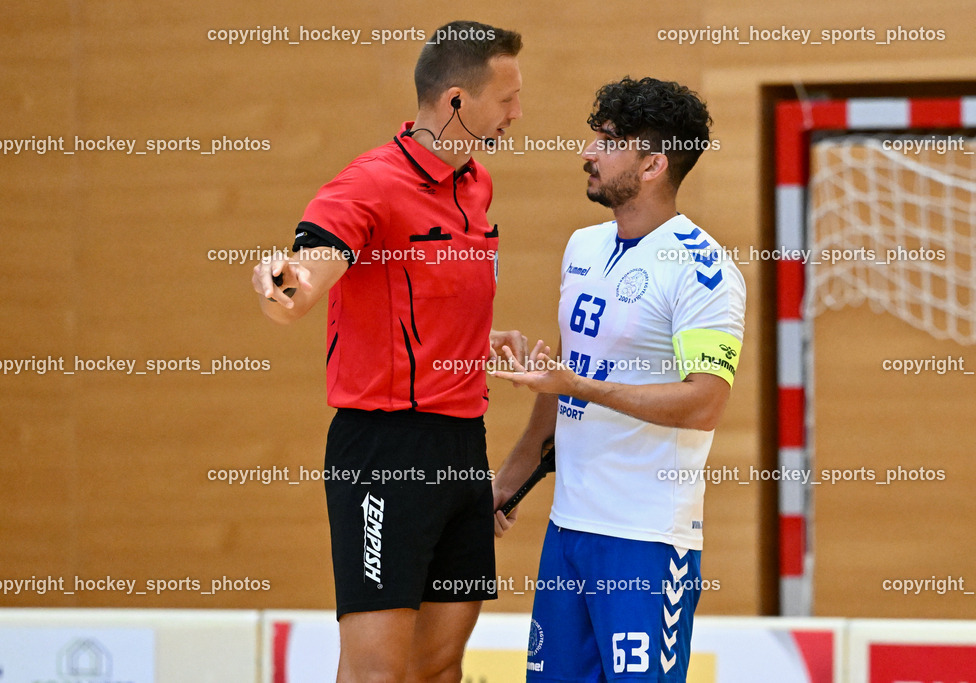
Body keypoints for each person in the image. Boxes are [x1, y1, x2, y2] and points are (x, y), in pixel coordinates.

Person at [251, 20, 525, 683]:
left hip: (463, 446)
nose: (519, 113)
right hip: (383, 451)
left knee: (439, 667)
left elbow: (416, 296)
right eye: (507, 98)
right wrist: (283, 284)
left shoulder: (477, 185)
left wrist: (477, 344)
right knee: (376, 673)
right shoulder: (368, 184)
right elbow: (305, 280)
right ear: (458, 100)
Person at [491, 77, 746, 682]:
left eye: (607, 141)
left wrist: (580, 386)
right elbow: (561, 383)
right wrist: (508, 480)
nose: (587, 153)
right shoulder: (582, 247)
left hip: (647, 541)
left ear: (654, 163)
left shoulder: (705, 271)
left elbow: (704, 402)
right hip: (568, 533)